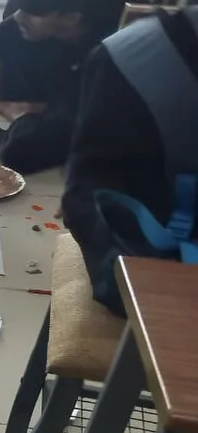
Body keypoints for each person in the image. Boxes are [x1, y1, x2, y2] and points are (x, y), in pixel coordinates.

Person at [62, 7, 198, 314]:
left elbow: (83, 200)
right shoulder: (138, 56)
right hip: (162, 270)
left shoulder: (133, 55)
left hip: (157, 280)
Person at [0, 0, 123, 174]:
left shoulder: (107, 48)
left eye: (33, 14)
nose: (19, 18)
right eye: (21, 9)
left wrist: (21, 116)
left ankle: (20, 114)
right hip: (44, 95)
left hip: (85, 103)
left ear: (70, 18)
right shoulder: (20, 23)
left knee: (23, 149)